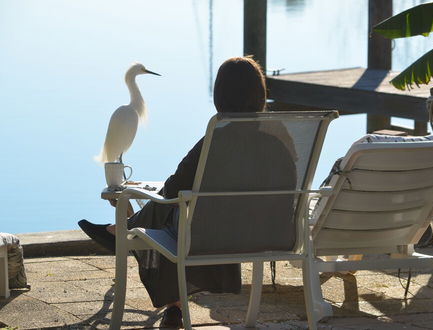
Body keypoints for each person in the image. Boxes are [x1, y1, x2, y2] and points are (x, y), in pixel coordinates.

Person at [79, 56, 297, 328]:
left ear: (220, 97)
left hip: (214, 238)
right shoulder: (281, 140)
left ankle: (125, 234)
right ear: (261, 95)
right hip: (272, 233)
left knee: (174, 214)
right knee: (180, 213)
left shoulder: (215, 141)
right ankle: (125, 232)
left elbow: (173, 188)